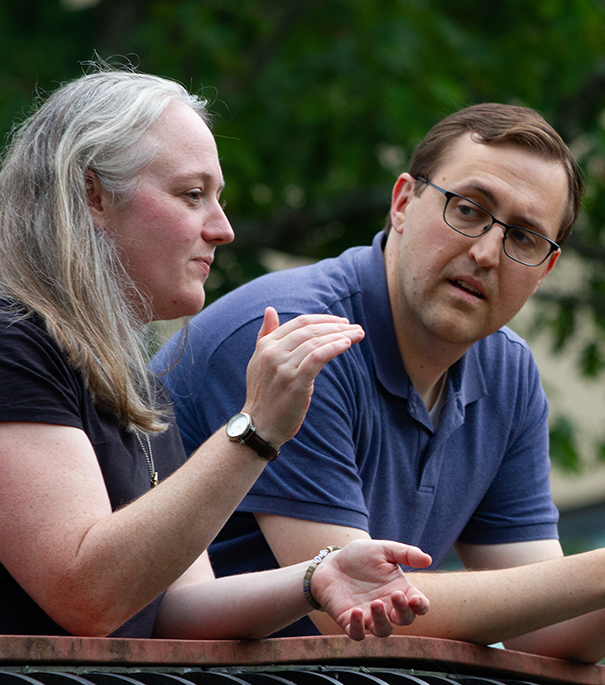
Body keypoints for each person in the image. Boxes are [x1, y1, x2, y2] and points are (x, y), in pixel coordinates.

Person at [152, 103, 605, 662]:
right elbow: (354, 607)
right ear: (402, 203)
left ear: (547, 268)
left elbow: (540, 632)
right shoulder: (299, 334)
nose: (486, 253)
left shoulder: (508, 374)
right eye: (468, 210)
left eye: (523, 236)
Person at [0, 65, 432, 640]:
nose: (223, 229)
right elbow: (85, 596)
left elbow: (180, 609)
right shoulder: (12, 343)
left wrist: (316, 578)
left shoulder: (133, 379)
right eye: (192, 195)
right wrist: (255, 430)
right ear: (92, 195)